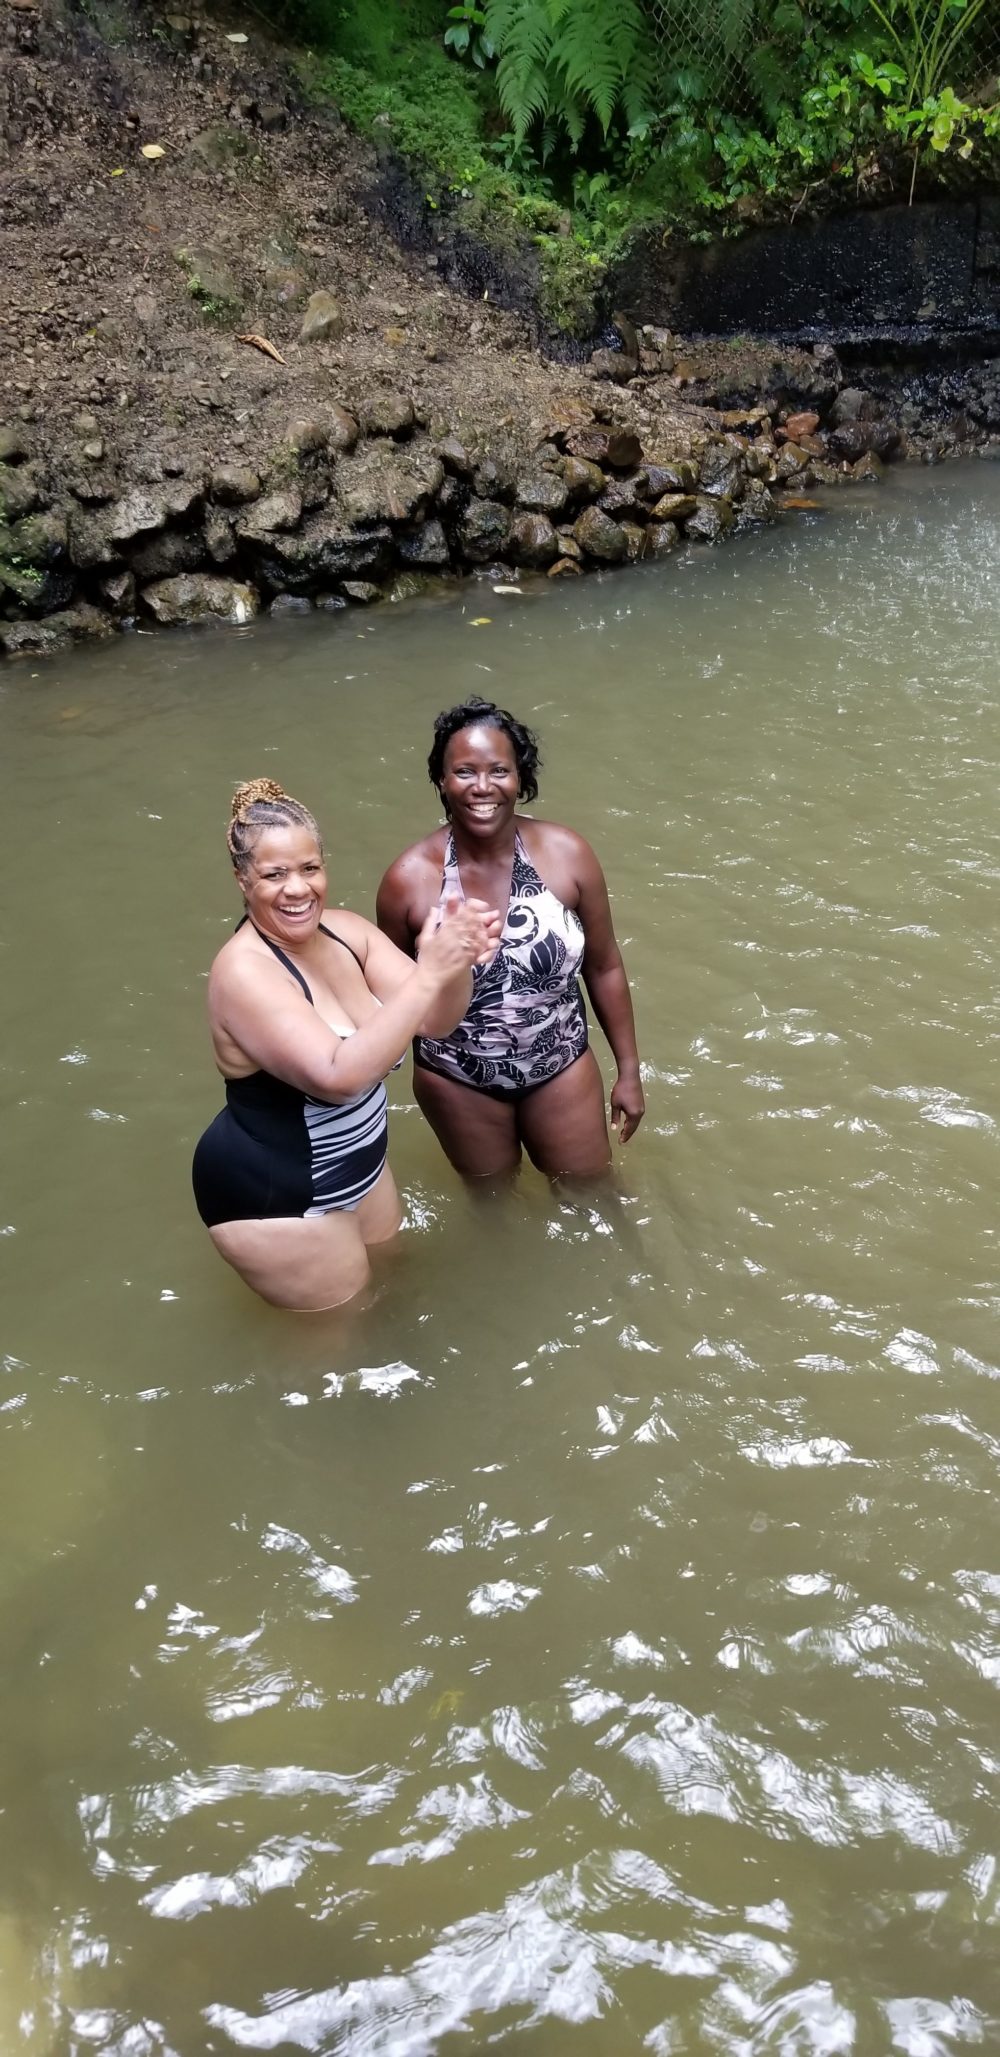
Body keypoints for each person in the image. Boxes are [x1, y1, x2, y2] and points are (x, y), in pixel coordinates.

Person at [193, 778, 498, 1310]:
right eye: (274, 874)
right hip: (277, 1196)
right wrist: (430, 972)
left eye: (310, 868)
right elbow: (338, 1076)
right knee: (342, 1340)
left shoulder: (347, 932)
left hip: (360, 1162)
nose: (297, 888)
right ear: (243, 879)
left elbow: (436, 1021)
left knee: (398, 1290)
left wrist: (458, 963)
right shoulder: (243, 972)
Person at [376, 697, 644, 1181]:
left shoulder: (567, 854)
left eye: (499, 770)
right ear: (442, 780)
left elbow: (604, 965)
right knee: (494, 1201)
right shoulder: (408, 881)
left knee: (592, 1193)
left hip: (560, 1064)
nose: (483, 786)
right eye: (464, 771)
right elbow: (388, 997)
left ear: (520, 778)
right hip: (456, 1079)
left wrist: (629, 1070)